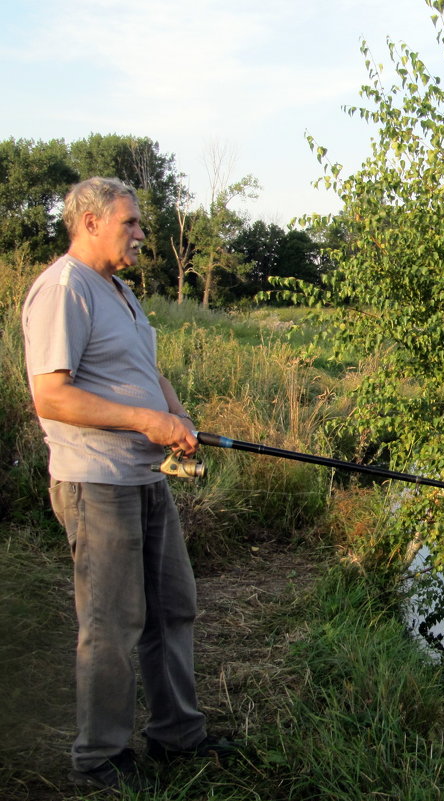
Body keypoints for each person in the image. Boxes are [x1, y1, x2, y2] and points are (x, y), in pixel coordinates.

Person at [21, 177, 234, 793]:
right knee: (112, 622)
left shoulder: (119, 291)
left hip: (146, 475)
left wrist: (177, 416)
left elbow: (147, 371)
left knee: (173, 605)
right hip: (97, 481)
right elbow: (50, 394)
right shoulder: (65, 288)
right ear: (90, 223)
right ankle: (101, 759)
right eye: (132, 222)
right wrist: (147, 419)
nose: (143, 233)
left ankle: (177, 734)